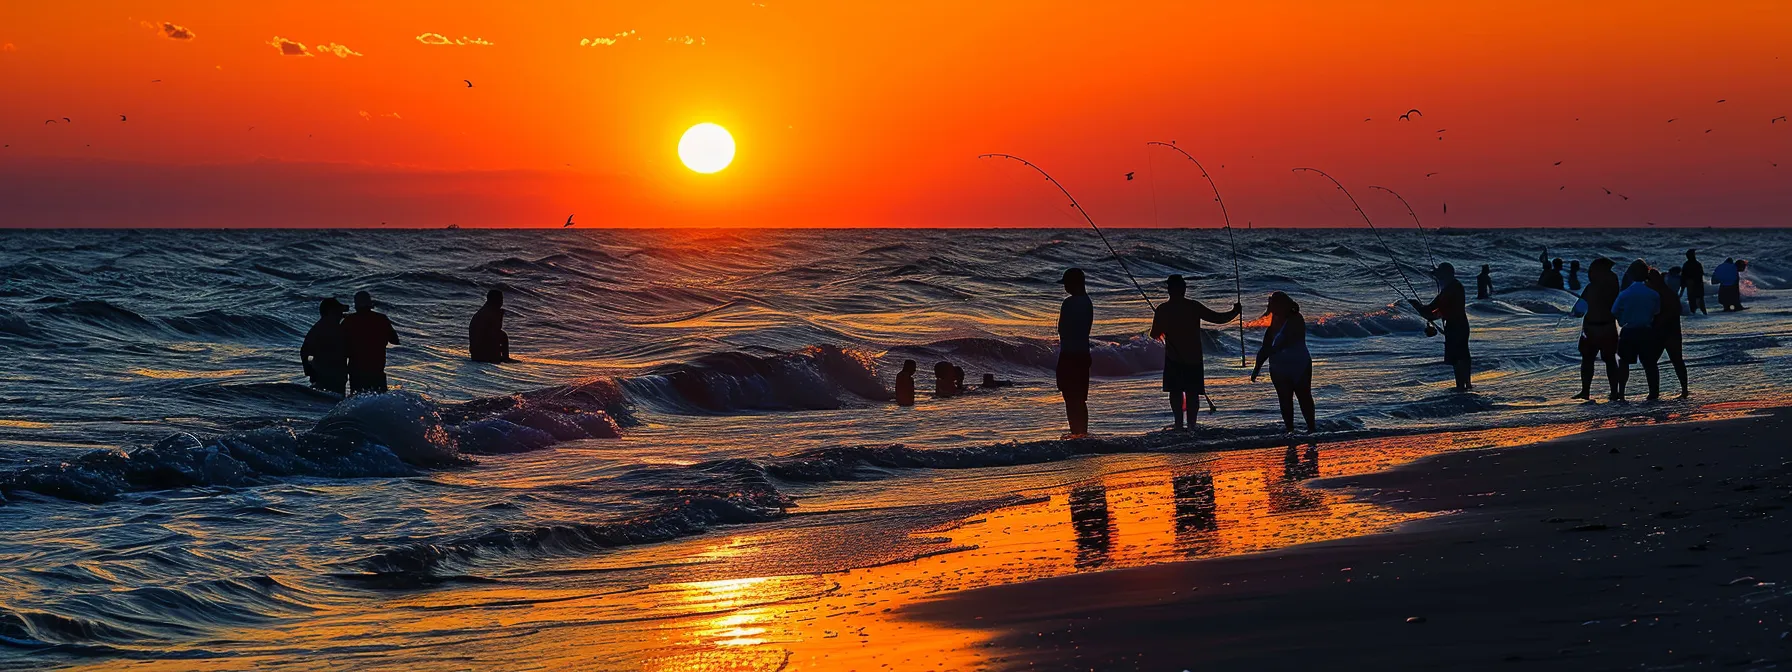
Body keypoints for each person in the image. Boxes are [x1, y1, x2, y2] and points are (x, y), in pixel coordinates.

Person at [1149, 274, 1241, 431]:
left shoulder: (1163, 309)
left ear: (1169, 290)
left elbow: (1154, 334)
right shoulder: (1193, 306)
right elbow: (1218, 319)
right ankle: (1191, 426)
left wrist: (1164, 324)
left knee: (1176, 392)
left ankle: (1179, 425)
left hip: (1174, 357)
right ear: (1182, 289)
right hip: (1193, 357)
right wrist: (1235, 312)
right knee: (1191, 393)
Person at [1251, 291, 1315, 433]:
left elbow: (1289, 339)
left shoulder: (1296, 319)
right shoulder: (1271, 326)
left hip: (1299, 365)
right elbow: (1264, 349)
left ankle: (1312, 429)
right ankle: (1290, 431)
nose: (1272, 307)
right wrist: (1256, 369)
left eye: (1275, 303)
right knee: (1284, 400)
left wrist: (1273, 350)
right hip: (1278, 368)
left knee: (1304, 397)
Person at [1409, 263, 1472, 390]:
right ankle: (1463, 385)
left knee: (1459, 357)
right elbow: (1434, 309)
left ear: (1446, 274)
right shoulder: (1450, 287)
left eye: (1440, 274)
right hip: (1455, 325)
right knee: (1459, 357)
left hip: (1457, 326)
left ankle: (1464, 386)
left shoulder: (1453, 288)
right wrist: (1422, 310)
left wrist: (1418, 307)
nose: (1438, 277)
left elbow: (1435, 309)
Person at [1574, 258, 1621, 400]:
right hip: (1609, 327)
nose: (1589, 273)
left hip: (1592, 329)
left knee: (1588, 359)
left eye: (1592, 270)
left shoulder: (1592, 287)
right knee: (1610, 360)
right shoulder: (1613, 284)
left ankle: (1585, 391)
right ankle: (1614, 392)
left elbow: (1579, 309)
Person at [1611, 270, 1661, 400]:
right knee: (1650, 363)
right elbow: (1656, 311)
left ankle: (1621, 393)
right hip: (1646, 330)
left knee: (1624, 363)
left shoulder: (1624, 294)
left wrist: (1622, 321)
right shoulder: (1653, 294)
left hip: (1629, 330)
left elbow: (1614, 311)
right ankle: (1653, 393)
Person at [1057, 268, 1094, 438]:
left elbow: (1062, 329)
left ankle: (1075, 433)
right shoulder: (1088, 302)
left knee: (1069, 397)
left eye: (1067, 284)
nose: (1065, 287)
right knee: (1080, 398)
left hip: (1069, 355)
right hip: (1083, 354)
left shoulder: (1069, 303)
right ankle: (1082, 433)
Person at [343, 291, 400, 394]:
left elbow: (340, 345)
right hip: (376, 368)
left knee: (357, 402)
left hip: (356, 370)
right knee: (379, 401)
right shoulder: (381, 319)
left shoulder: (349, 321)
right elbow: (395, 340)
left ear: (356, 305)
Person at [1646, 269, 1690, 398]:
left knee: (1652, 362)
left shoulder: (1658, 294)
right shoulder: (1668, 292)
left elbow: (1670, 313)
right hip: (1672, 332)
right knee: (1676, 361)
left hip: (1665, 333)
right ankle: (1683, 390)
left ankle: (1654, 393)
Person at [300, 298, 349, 395]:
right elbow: (304, 351)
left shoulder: (335, 328)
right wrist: (309, 370)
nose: (341, 315)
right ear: (331, 312)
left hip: (336, 377)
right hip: (325, 378)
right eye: (338, 312)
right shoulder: (320, 329)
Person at [468, 289, 513, 363]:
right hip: (483, 355)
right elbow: (494, 332)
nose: (502, 302)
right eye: (500, 299)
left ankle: (504, 357)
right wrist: (500, 316)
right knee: (503, 335)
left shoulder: (484, 311)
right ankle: (505, 358)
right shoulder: (488, 313)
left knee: (502, 334)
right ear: (495, 300)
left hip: (476, 355)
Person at [1682, 249, 1707, 315]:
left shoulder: (1686, 265)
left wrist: (1682, 287)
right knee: (1700, 300)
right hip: (1698, 284)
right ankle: (1704, 314)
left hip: (1690, 285)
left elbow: (1683, 276)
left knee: (1692, 301)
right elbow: (1701, 274)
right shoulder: (1697, 264)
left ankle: (1693, 314)